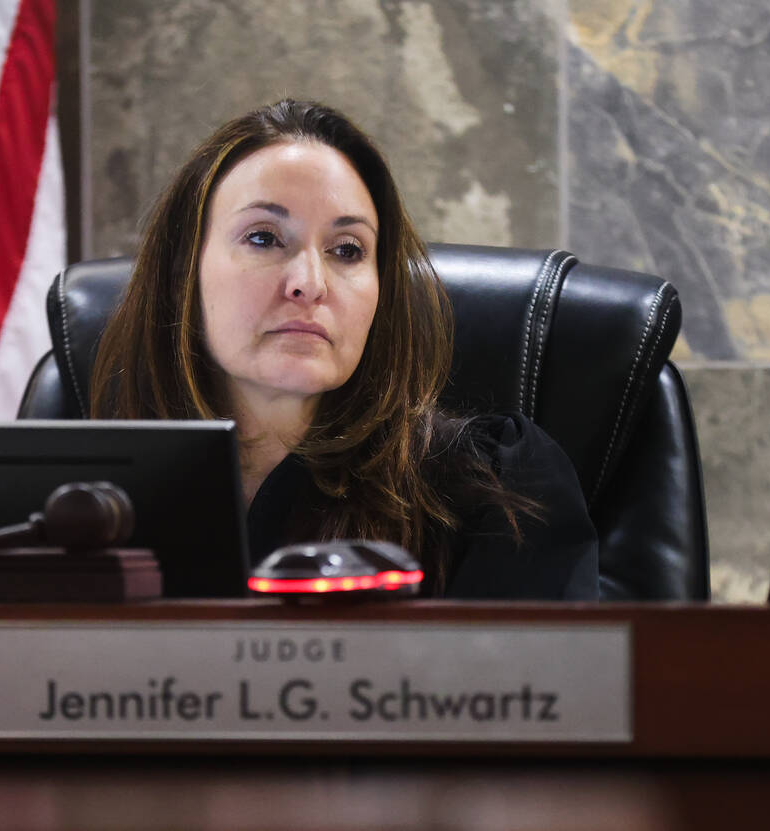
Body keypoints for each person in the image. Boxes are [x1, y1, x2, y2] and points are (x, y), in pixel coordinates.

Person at [90, 99, 598, 600]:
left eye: (347, 250)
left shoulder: (497, 488)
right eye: (264, 238)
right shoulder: (82, 500)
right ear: (184, 272)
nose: (309, 284)